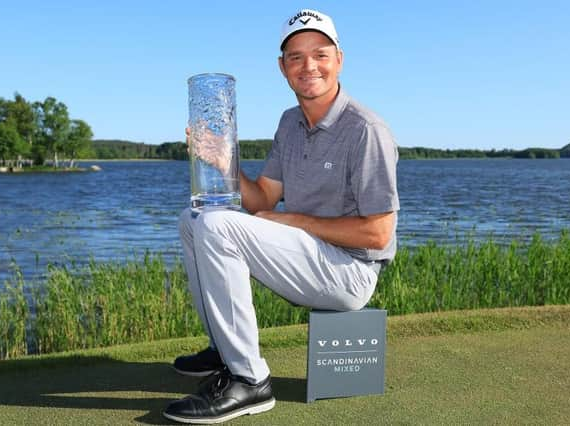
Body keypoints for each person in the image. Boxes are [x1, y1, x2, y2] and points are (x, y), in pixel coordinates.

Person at [163, 8, 399, 424]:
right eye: (296, 57)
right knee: (195, 217)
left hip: (350, 273)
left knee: (219, 224)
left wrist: (295, 220)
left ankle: (250, 381)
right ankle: (224, 347)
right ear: (282, 68)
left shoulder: (366, 129)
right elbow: (261, 200)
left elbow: (379, 234)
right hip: (305, 257)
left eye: (320, 54)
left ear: (339, 59)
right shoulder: (290, 123)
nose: (309, 66)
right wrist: (225, 162)